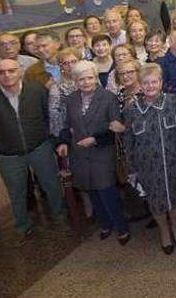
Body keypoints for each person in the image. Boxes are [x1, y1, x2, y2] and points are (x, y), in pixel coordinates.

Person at [0, 59, 65, 237]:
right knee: (17, 192)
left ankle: (60, 215)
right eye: (2, 72)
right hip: (9, 155)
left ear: (20, 72)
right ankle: (22, 226)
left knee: (52, 185)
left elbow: (47, 115)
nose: (7, 75)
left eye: (11, 70)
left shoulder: (36, 90)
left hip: (40, 147)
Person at [55, 61, 129, 245]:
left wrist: (95, 139)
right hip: (79, 152)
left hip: (102, 152)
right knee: (91, 190)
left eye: (90, 77)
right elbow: (67, 125)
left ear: (96, 78)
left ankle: (121, 227)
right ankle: (105, 224)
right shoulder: (71, 99)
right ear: (75, 80)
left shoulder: (108, 97)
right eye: (81, 79)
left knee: (106, 191)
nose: (86, 82)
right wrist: (63, 142)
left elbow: (115, 128)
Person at [123, 64, 176, 254]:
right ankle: (164, 232)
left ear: (161, 83)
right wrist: (132, 170)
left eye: (154, 82)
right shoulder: (131, 110)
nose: (150, 86)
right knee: (155, 200)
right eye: (145, 83)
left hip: (173, 160)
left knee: (175, 196)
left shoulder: (174, 101)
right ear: (140, 85)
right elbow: (129, 142)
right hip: (148, 166)